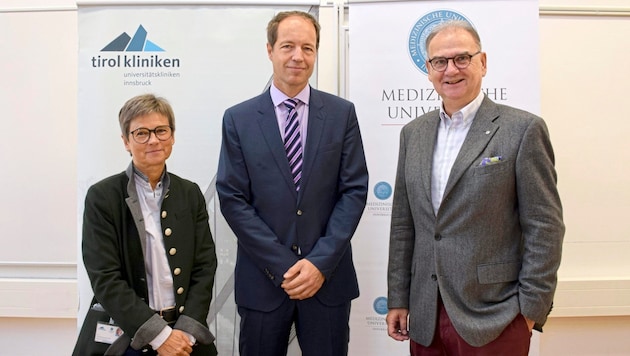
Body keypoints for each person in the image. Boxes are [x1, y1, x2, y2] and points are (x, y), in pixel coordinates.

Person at [386, 20, 565, 355]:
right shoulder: (413, 133)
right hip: (426, 317)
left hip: (494, 316)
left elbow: (545, 227)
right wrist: (398, 296)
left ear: (482, 62)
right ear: (428, 70)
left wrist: (530, 309)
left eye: (462, 58)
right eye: (440, 61)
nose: (450, 69)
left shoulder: (522, 130)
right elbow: (403, 224)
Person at [216, 10, 369, 356]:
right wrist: (285, 266)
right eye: (288, 46)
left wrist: (319, 264)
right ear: (269, 50)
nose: (298, 56)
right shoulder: (238, 119)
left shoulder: (341, 114)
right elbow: (233, 199)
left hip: (327, 281)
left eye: (307, 47)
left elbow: (354, 190)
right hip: (264, 282)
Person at [73, 94, 218, 356]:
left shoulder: (190, 193)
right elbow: (105, 277)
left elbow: (205, 266)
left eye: (161, 130)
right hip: (129, 335)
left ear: (172, 136)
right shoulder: (102, 196)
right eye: (141, 133)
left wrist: (183, 334)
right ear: (126, 141)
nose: (153, 140)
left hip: (186, 334)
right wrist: (160, 337)